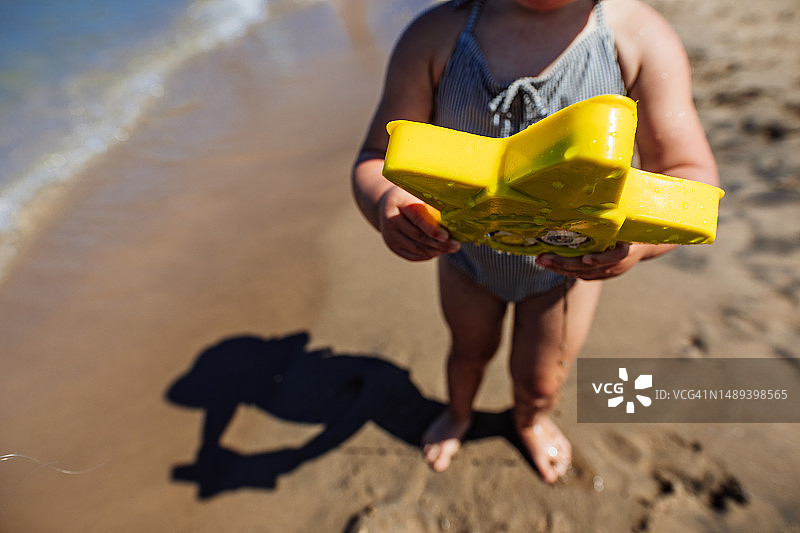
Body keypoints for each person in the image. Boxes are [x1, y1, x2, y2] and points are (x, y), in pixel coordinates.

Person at [351, 0, 719, 483]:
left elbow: (689, 176)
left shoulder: (639, 38)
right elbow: (377, 154)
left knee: (541, 379)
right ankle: (458, 414)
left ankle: (530, 419)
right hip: (467, 254)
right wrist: (386, 203)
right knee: (469, 351)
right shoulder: (435, 36)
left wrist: (637, 247)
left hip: (570, 267)